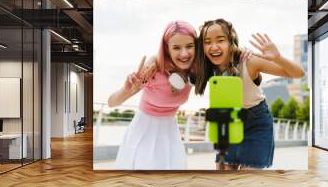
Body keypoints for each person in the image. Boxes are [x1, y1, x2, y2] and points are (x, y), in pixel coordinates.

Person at [195, 18, 304, 170]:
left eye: (220, 40)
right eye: (207, 42)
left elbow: (298, 73)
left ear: (231, 41)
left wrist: (278, 58)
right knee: (223, 174)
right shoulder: (206, 67)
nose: (214, 47)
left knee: (249, 179)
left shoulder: (248, 61)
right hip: (229, 121)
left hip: (256, 123)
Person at [108, 21, 197, 170]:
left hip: (170, 131)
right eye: (176, 47)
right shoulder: (153, 71)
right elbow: (111, 103)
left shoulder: (196, 70)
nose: (184, 54)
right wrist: (127, 90)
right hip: (144, 131)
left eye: (189, 46)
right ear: (167, 49)